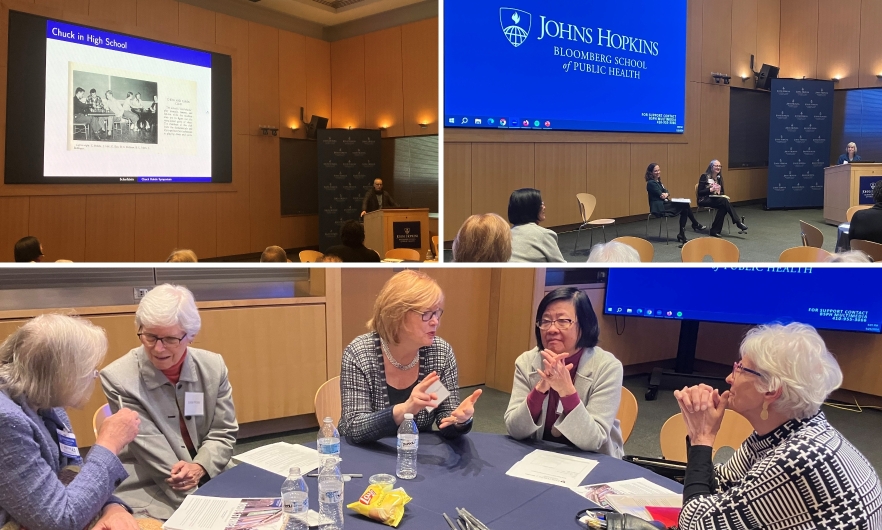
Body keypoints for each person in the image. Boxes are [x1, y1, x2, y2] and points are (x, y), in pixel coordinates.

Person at [676, 323, 882, 529]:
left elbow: (695, 524)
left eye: (740, 370)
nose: (729, 378)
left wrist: (701, 438)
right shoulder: (784, 431)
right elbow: (722, 486)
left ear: (771, 390)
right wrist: (700, 438)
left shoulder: (799, 458)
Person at [100, 284, 238, 519]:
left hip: (211, 470)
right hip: (152, 482)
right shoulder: (119, 378)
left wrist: (201, 466)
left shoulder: (213, 367)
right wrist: (206, 507)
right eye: (150, 336)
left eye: (170, 339)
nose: (158, 348)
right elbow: (157, 458)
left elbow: (222, 432)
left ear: (190, 335)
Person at [0, 314, 142, 530]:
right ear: (61, 376)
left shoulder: (47, 402)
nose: (93, 376)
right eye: (89, 371)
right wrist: (108, 444)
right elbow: (59, 520)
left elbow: (72, 473)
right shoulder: (7, 421)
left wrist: (113, 507)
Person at [339, 270, 482, 444]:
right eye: (427, 313)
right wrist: (405, 409)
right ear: (397, 314)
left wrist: (460, 421)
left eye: (437, 313)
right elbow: (354, 428)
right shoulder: (360, 354)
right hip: (367, 454)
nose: (435, 321)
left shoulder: (439, 353)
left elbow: (446, 419)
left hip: (415, 455)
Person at [504, 287, 625, 457]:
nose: (552, 329)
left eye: (562, 321)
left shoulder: (607, 367)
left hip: (594, 462)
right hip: (538, 458)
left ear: (584, 324)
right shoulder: (526, 362)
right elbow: (515, 429)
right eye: (545, 321)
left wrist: (566, 391)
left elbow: (593, 441)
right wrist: (539, 391)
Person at [646, 163, 706, 243]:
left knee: (685, 207)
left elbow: (666, 191)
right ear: (651, 172)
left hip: (665, 203)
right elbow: (661, 194)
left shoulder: (658, 181)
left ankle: (683, 233)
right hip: (659, 207)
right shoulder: (651, 183)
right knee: (685, 206)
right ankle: (693, 226)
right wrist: (665, 194)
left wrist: (666, 193)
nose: (658, 172)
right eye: (655, 171)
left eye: (659, 170)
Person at [508, 188, 566, 262]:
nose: (544, 207)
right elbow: (561, 267)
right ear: (531, 208)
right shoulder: (544, 235)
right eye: (541, 204)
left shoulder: (506, 235)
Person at [698, 160, 748, 237]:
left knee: (724, 207)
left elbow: (722, 193)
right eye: (716, 166)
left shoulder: (719, 178)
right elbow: (700, 192)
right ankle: (738, 222)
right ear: (711, 167)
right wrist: (711, 190)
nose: (718, 168)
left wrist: (719, 192)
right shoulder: (704, 176)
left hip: (714, 199)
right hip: (704, 199)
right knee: (724, 202)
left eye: (719, 166)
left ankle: (714, 231)